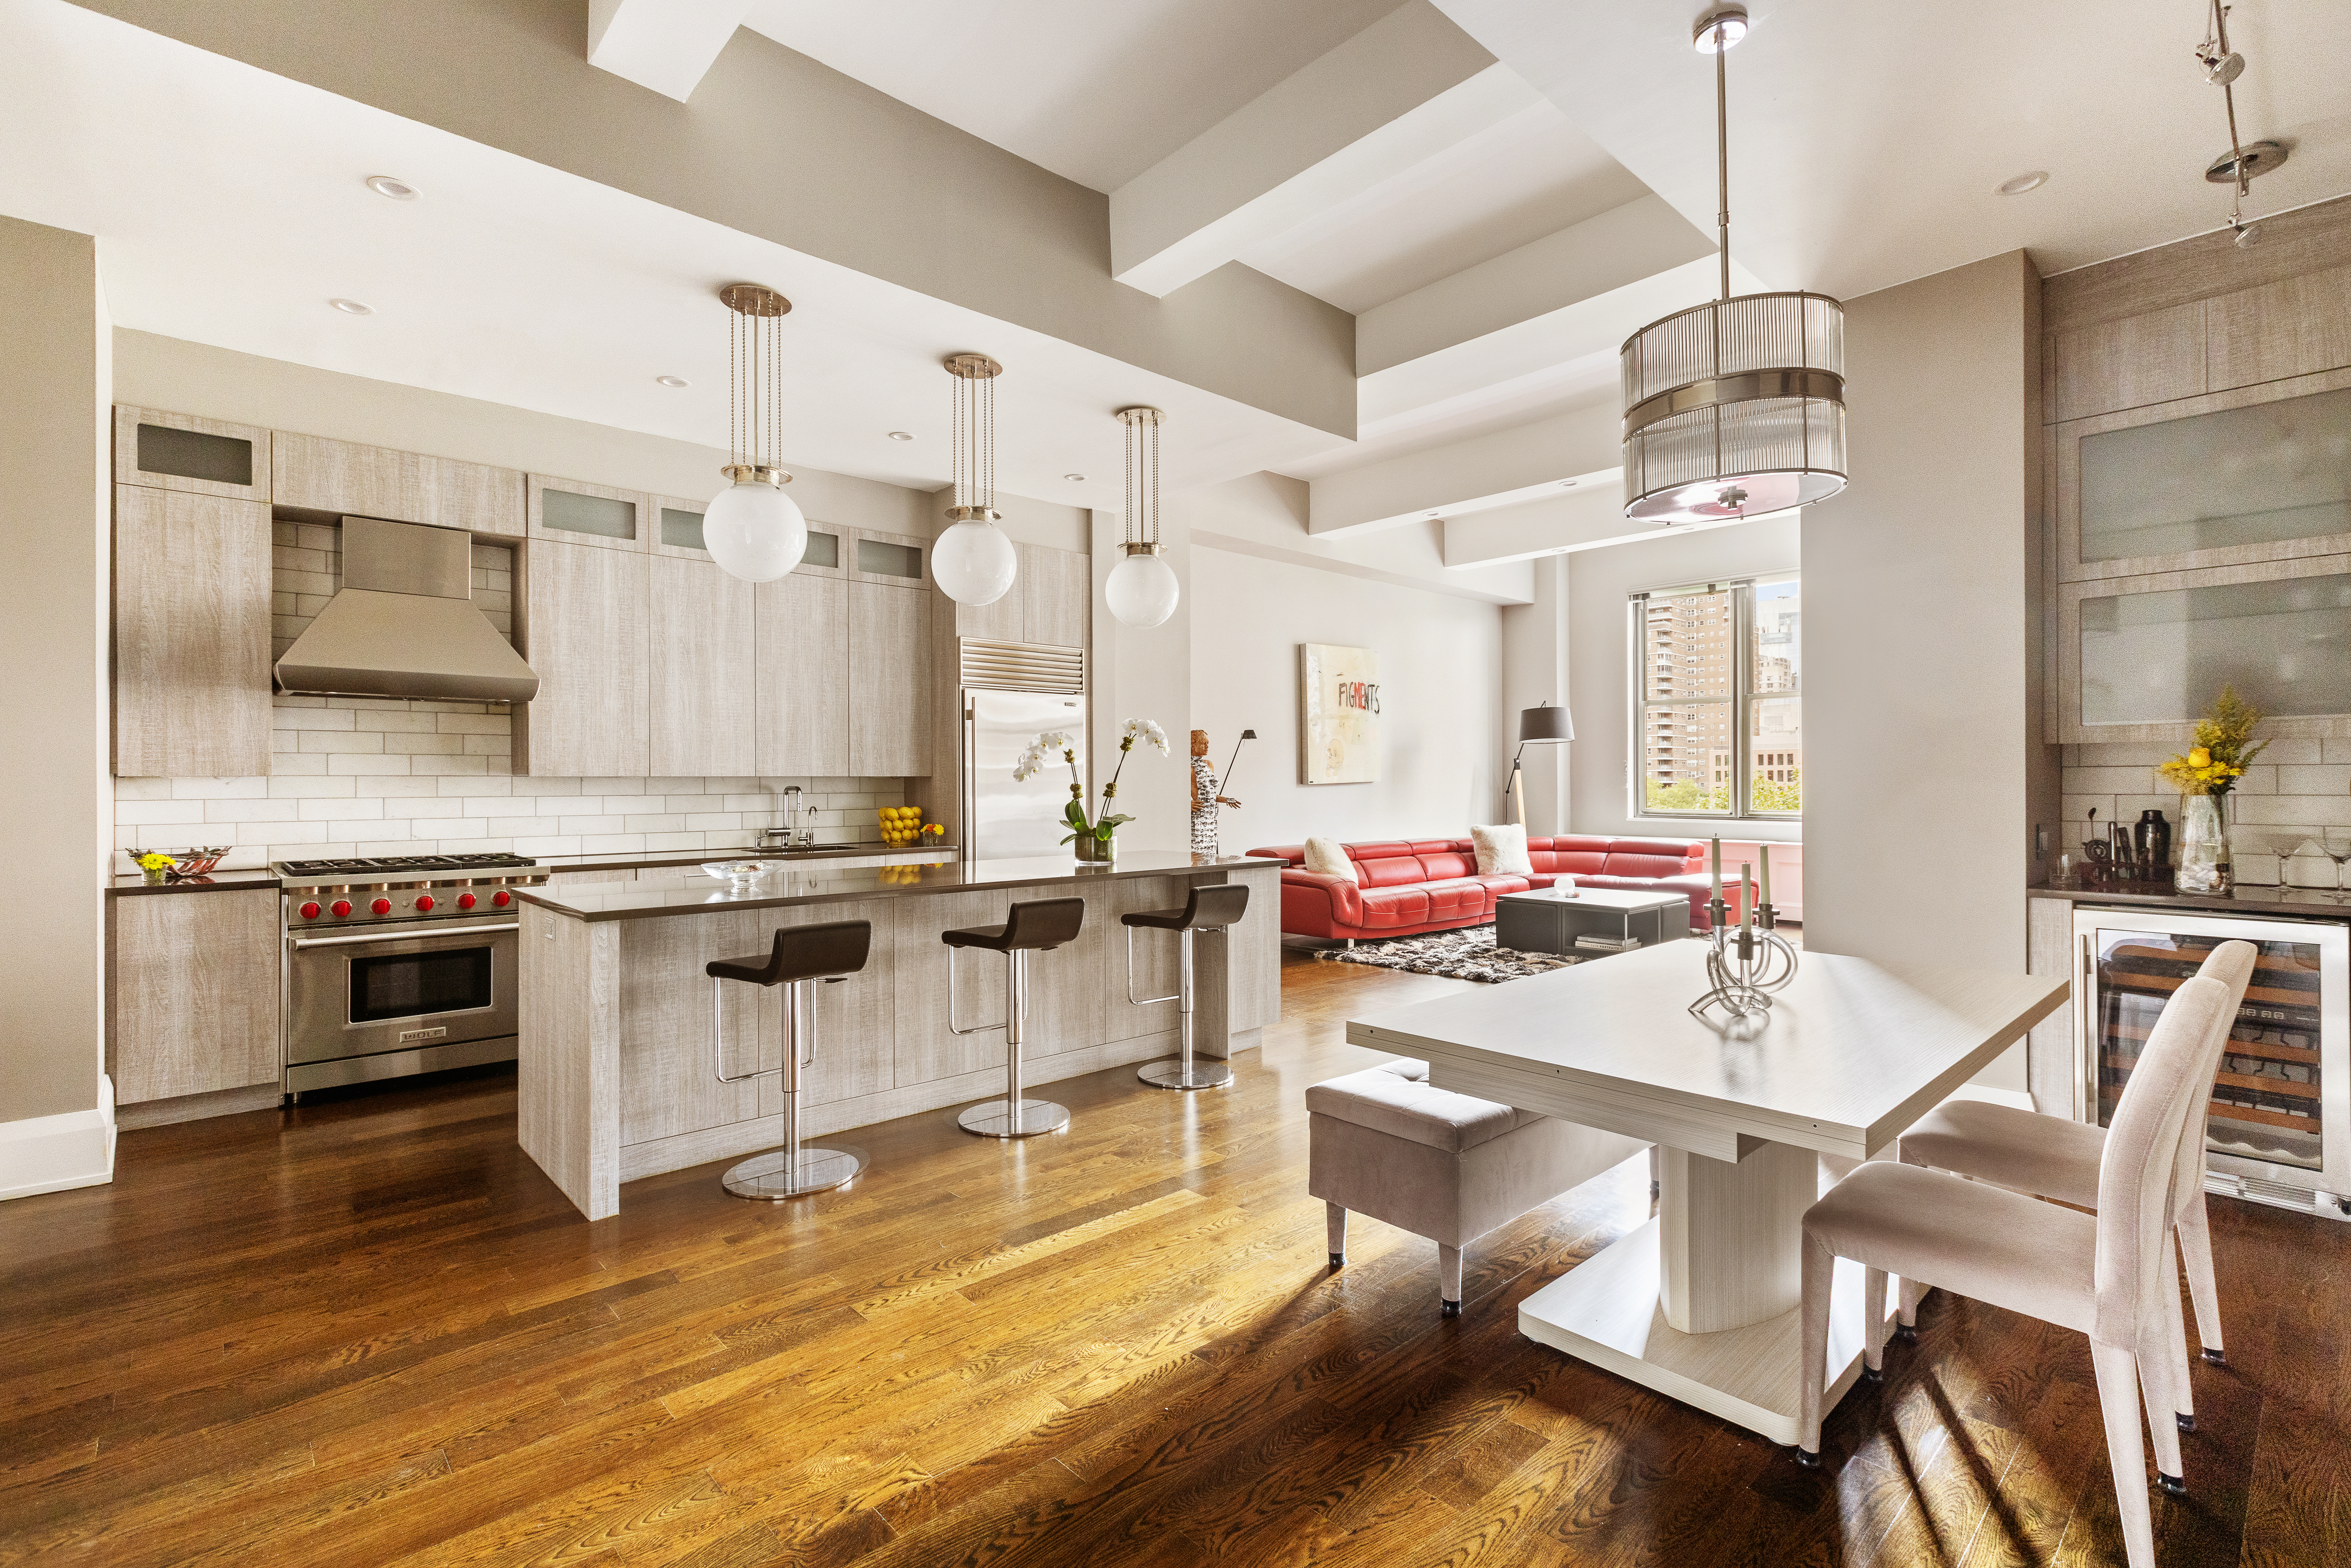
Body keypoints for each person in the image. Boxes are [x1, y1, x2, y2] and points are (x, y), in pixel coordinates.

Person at [1189, 728, 1238, 859]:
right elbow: (1172, 792)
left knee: (1210, 854)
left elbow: (1210, 794)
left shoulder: (1209, 764)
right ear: (1192, 745)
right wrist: (1187, 805)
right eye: (1203, 743)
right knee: (1197, 855)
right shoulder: (1185, 767)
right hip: (1197, 817)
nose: (1207, 746)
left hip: (1211, 817)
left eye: (1208, 743)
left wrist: (1226, 799)